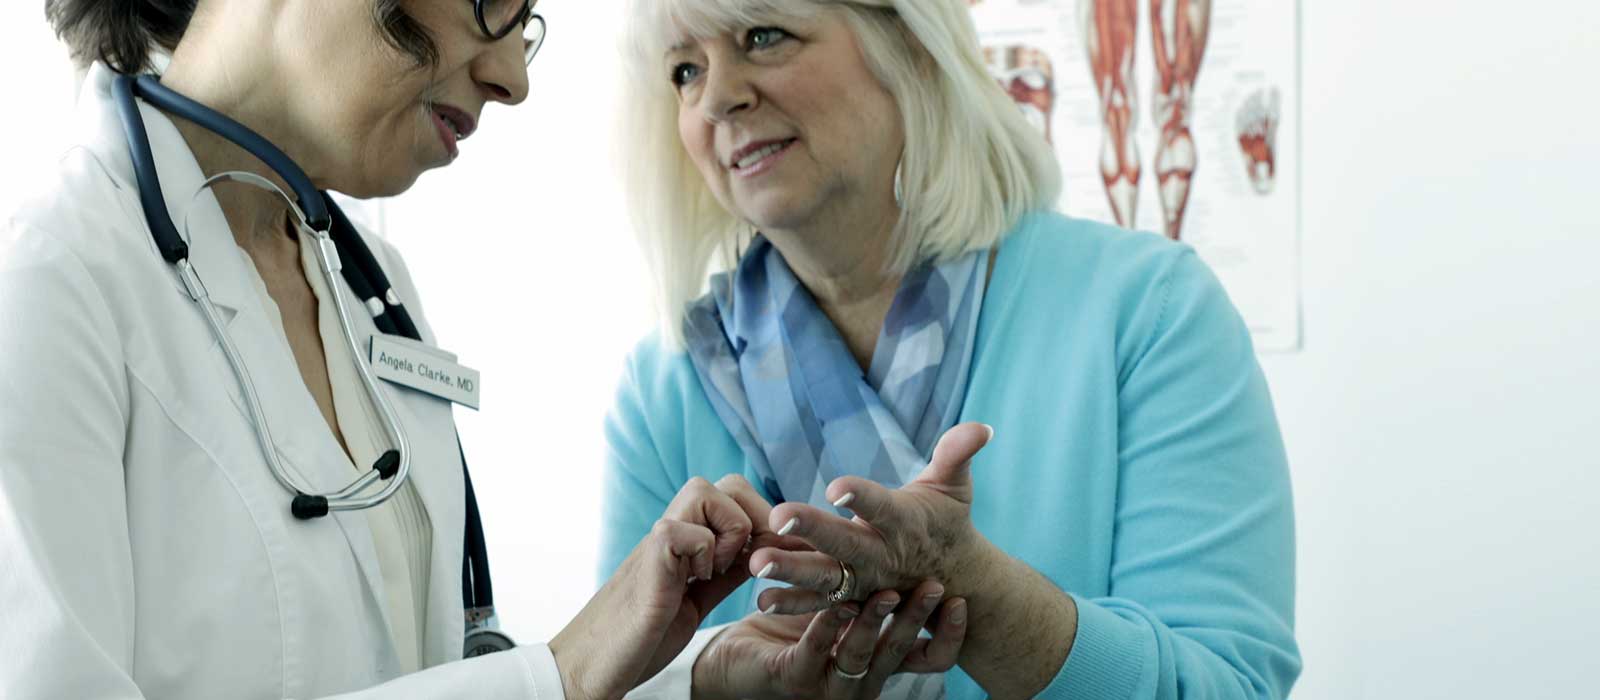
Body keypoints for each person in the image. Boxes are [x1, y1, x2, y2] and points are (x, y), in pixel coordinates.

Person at [0, 1, 964, 698]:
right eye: (491, 5)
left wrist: (696, 676)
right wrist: (565, 671)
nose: (515, 78)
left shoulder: (371, 284)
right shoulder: (47, 283)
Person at [600, 0, 1303, 698]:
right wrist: (710, 681)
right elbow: (609, 681)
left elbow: (1228, 686)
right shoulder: (664, 388)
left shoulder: (1150, 311)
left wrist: (979, 598)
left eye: (763, 36)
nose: (719, 97)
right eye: (685, 71)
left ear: (907, 45)